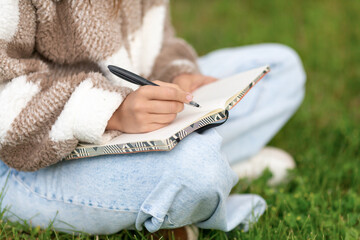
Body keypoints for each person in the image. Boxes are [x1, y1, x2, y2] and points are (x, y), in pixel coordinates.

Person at [0, 0, 306, 238]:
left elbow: (159, 42)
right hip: (31, 158)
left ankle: (187, 183)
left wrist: (178, 74)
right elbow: (7, 102)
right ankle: (202, 178)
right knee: (196, 170)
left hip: (132, 117)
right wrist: (112, 112)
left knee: (280, 68)